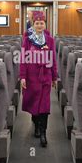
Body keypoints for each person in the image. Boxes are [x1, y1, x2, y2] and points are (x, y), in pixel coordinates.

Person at [19, 11, 57, 147]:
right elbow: (23, 58)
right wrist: (22, 77)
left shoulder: (50, 40)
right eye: (37, 23)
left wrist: (54, 76)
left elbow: (53, 59)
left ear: (45, 24)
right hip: (31, 76)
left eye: (42, 23)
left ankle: (43, 132)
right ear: (33, 24)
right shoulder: (28, 39)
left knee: (45, 105)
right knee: (34, 103)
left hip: (45, 76)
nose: (40, 25)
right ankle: (35, 123)